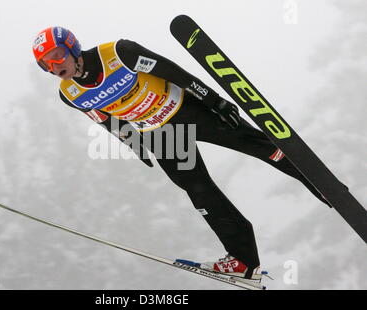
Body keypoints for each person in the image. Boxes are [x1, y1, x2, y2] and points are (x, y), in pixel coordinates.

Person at [32, 26, 329, 281]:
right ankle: (244, 261)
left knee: (256, 145)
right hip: (159, 133)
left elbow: (174, 72)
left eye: (56, 56)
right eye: (45, 64)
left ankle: (322, 185)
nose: (54, 67)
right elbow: (105, 119)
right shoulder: (69, 94)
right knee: (199, 192)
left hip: (185, 109)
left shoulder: (120, 53)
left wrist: (215, 101)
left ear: (72, 46)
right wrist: (134, 144)